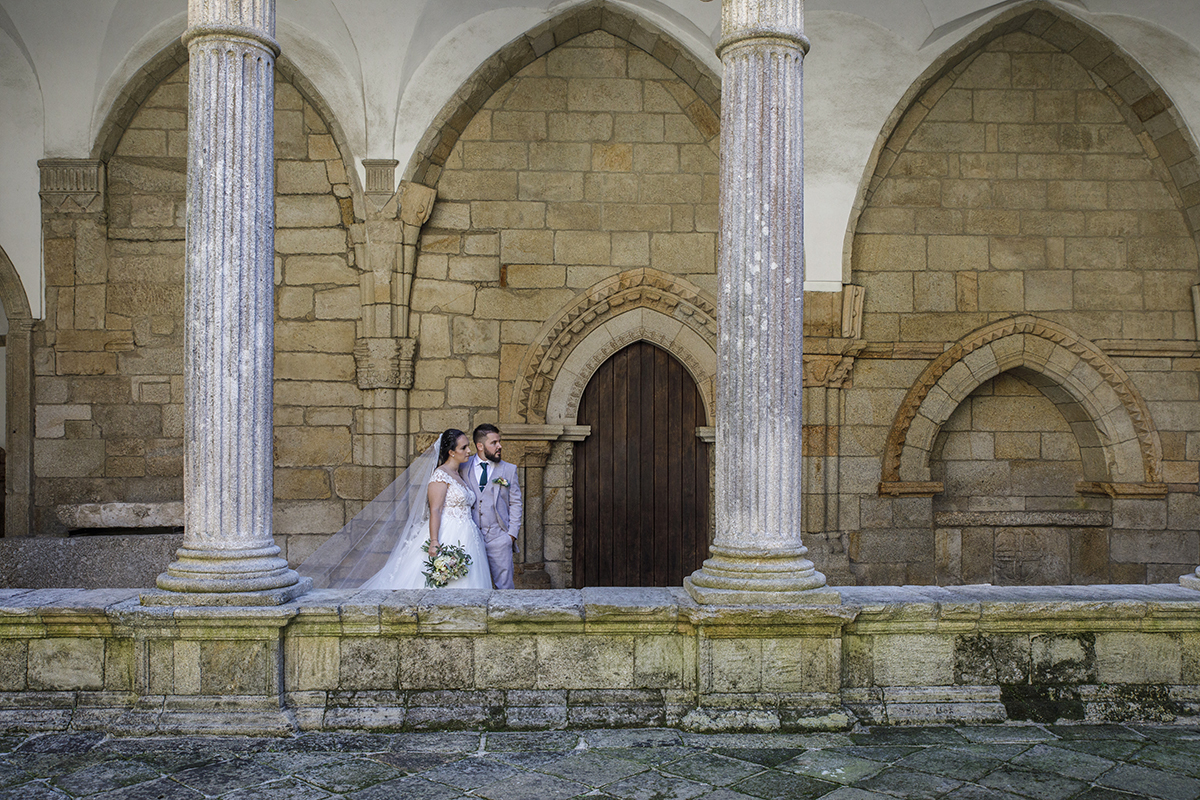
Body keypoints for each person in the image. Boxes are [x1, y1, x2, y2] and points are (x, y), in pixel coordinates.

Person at [298, 429, 491, 591]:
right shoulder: (440, 476)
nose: (469, 451)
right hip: (447, 532)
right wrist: (434, 541)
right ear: (451, 452)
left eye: (468, 446)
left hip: (467, 533)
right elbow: (435, 510)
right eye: (463, 447)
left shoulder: (458, 474)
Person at [460, 423, 523, 590]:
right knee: (472, 586)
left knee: (505, 588)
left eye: (499, 442)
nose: (499, 446)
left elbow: (515, 502)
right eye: (494, 443)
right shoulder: (463, 467)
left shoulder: (509, 470)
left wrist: (511, 535)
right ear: (480, 446)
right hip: (470, 538)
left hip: (499, 538)